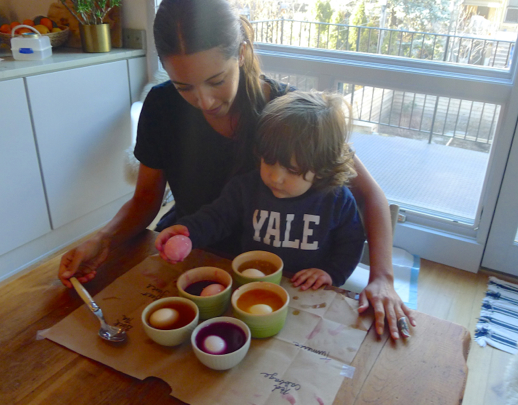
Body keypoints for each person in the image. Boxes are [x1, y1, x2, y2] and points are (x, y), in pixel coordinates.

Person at [57, 0, 415, 339]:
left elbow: (369, 195)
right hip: (195, 255)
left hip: (271, 275)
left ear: (241, 52)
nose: (204, 101)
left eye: (216, 80)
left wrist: (382, 278)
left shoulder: (287, 115)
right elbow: (145, 199)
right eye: (184, 86)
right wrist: (103, 239)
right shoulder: (162, 106)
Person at [156, 91, 365, 290]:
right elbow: (216, 218)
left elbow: (351, 243)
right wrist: (188, 233)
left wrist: (330, 273)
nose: (275, 177)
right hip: (252, 283)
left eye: (292, 170)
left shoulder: (336, 199)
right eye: (268, 161)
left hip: (305, 290)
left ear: (322, 168)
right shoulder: (246, 188)